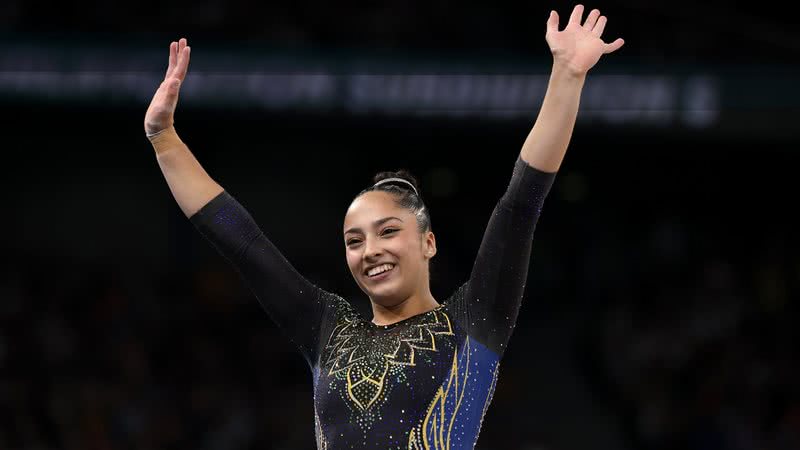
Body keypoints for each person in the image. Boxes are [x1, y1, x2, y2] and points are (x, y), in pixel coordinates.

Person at [143, 4, 623, 448]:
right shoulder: (325, 329)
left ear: (428, 242)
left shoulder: (475, 319)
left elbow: (520, 205)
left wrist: (567, 75)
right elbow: (241, 241)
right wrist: (164, 139)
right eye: (354, 240)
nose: (370, 249)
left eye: (388, 231)